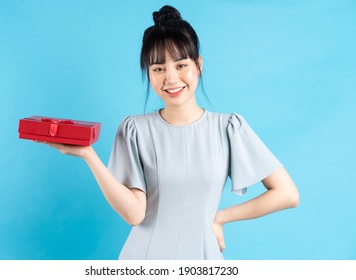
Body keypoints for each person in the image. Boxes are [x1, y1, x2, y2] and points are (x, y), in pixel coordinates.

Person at [42, 5, 299, 260]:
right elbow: (134, 214)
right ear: (149, 74)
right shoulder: (134, 130)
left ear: (198, 65)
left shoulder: (229, 128)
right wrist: (89, 156)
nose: (171, 79)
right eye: (158, 69)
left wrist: (221, 218)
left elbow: (287, 194)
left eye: (180, 65)